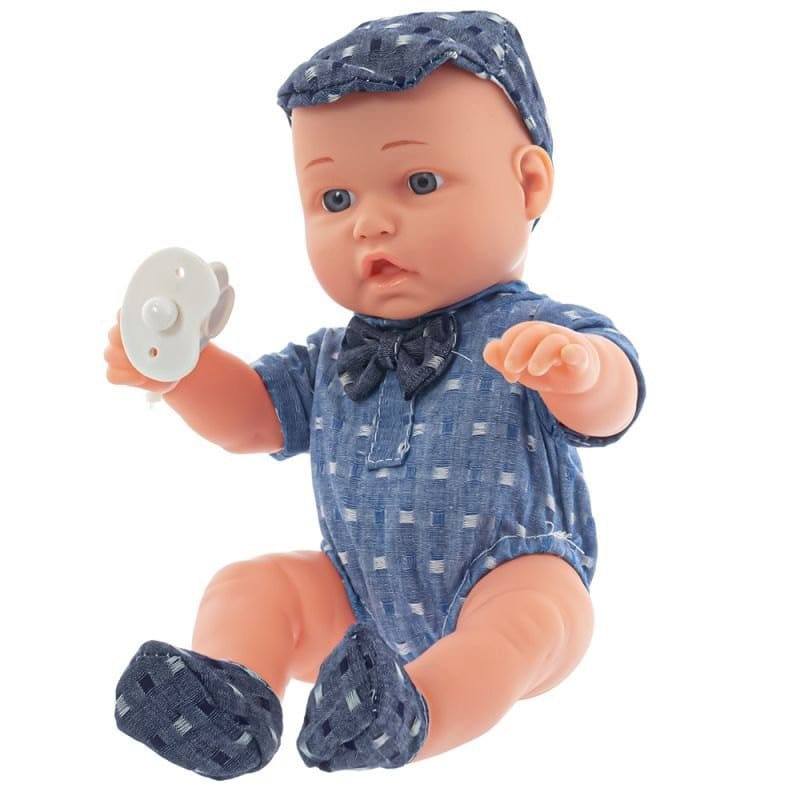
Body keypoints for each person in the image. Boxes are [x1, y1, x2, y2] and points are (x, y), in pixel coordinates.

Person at [106, 10, 645, 778]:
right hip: (357, 594)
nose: (369, 224)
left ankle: (411, 715)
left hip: (510, 569)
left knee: (531, 620)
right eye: (335, 200)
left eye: (419, 183)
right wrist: (183, 368)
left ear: (527, 184)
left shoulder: (534, 331)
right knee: (250, 584)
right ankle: (231, 699)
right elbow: (254, 417)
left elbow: (616, 401)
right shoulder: (333, 357)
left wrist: (582, 373)